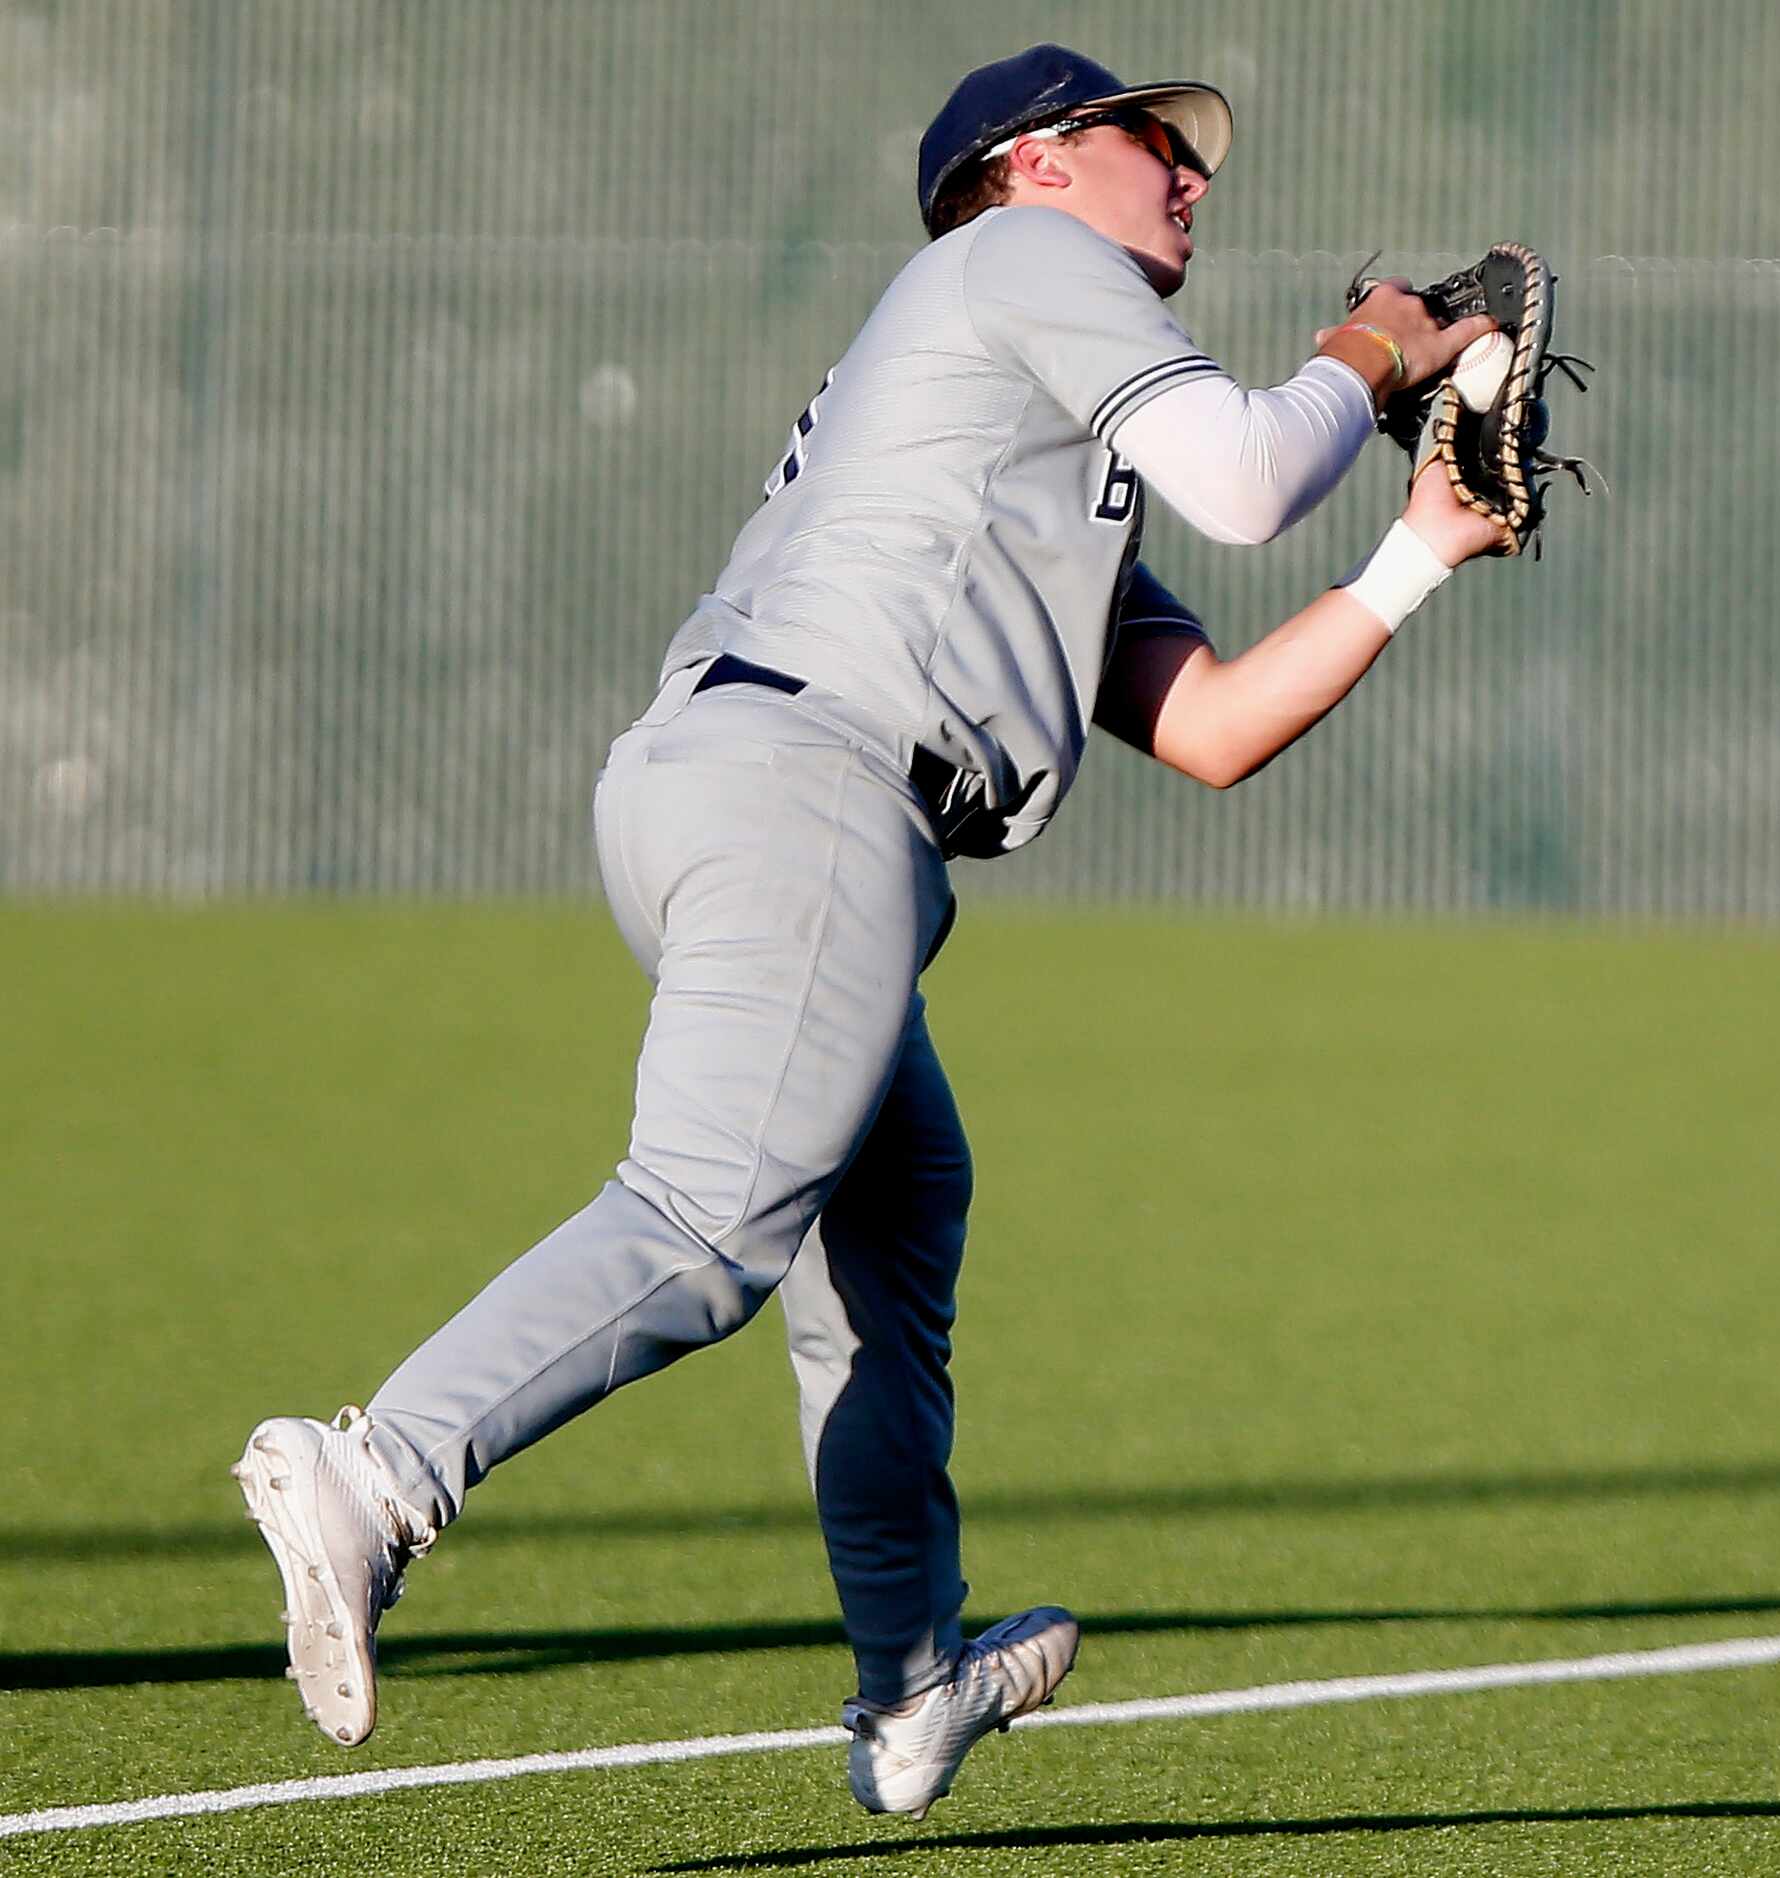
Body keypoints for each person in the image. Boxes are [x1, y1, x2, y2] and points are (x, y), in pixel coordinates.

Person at [234, 43, 1499, 1821]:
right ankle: (372, 1469)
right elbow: (1244, 467)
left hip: (755, 786)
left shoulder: (1022, 427)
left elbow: (1209, 723)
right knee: (704, 1212)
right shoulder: (1020, 258)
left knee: (894, 1224)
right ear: (1039, 163)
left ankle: (911, 1686)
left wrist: (1417, 555)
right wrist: (1378, 342)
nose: (1190, 177)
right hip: (816, 785)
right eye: (1157, 143)